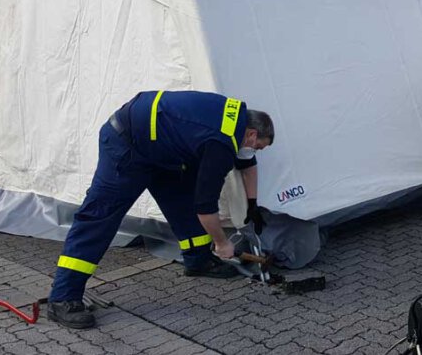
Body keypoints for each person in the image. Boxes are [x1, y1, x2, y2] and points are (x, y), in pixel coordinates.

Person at [47, 90, 274, 329]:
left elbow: (247, 164)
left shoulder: (237, 120)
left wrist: (253, 204)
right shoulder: (221, 143)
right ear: (251, 134)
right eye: (258, 147)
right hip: (127, 144)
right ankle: (63, 297)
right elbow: (206, 207)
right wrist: (222, 243)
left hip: (162, 150)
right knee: (100, 216)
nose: (255, 151)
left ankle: (199, 260)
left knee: (182, 203)